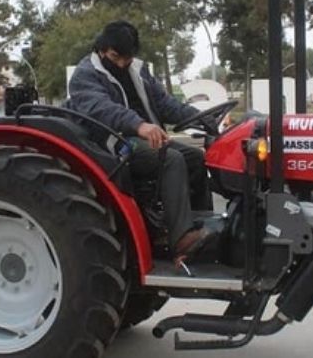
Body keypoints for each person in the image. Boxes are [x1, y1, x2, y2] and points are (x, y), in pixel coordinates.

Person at [66, 20, 213, 265]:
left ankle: (201, 227)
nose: (122, 63)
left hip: (143, 136)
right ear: (102, 49)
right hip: (114, 143)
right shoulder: (85, 75)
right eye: (116, 57)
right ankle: (181, 240)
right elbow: (102, 109)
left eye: (128, 58)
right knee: (170, 159)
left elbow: (165, 104)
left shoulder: (138, 71)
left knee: (195, 159)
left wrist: (204, 120)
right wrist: (139, 125)